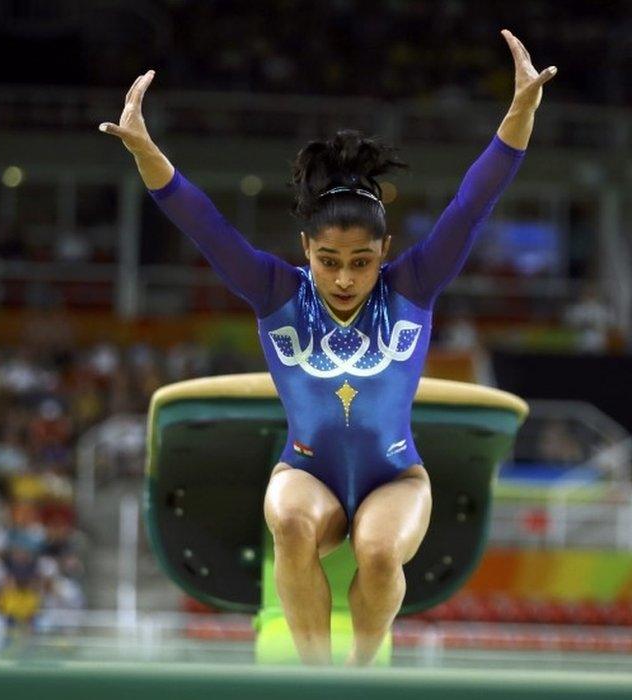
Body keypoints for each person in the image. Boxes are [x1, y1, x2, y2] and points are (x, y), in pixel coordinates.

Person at [100, 29, 555, 665]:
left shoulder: (414, 287)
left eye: (362, 262)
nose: (345, 278)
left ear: (385, 254)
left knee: (375, 549)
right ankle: (317, 676)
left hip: (395, 477)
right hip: (306, 471)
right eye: (330, 261)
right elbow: (203, 223)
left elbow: (471, 205)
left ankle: (361, 674)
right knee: (287, 520)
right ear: (306, 251)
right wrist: (146, 150)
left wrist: (519, 114)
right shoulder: (273, 290)